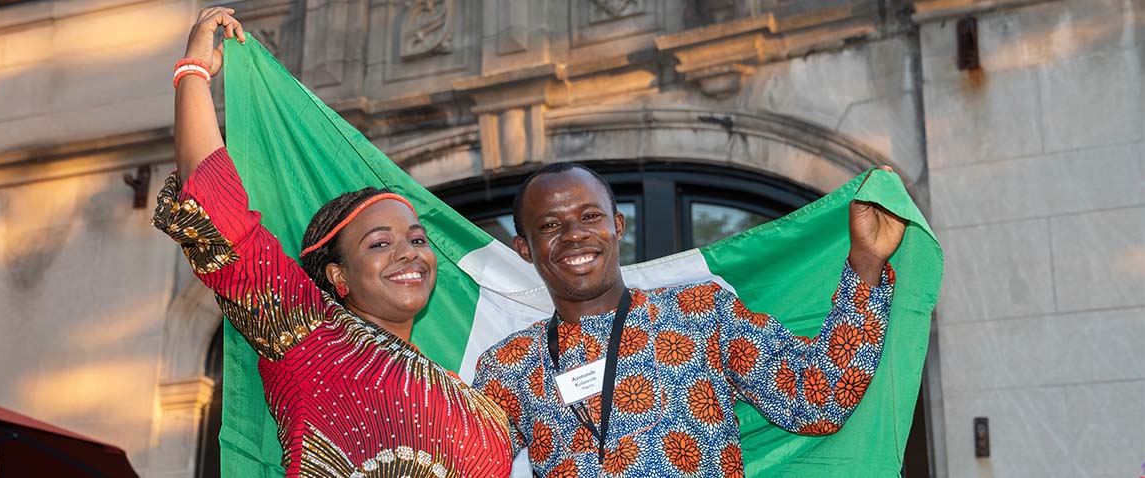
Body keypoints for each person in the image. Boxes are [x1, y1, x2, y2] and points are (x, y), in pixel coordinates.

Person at [153, 7, 513, 476]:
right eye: (380, 243)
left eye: (418, 239)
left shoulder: (477, 406)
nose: (409, 252)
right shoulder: (310, 337)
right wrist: (193, 74)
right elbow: (217, 212)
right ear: (338, 276)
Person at [473, 163, 906, 476]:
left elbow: (817, 400)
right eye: (550, 226)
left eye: (590, 216)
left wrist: (865, 263)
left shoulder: (701, 313)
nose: (574, 235)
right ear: (525, 249)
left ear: (617, 226)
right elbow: (463, 462)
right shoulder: (507, 367)